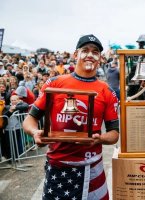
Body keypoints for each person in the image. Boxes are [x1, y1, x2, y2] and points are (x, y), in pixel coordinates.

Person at [22, 34, 119, 200]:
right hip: (58, 168)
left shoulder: (107, 91)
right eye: (85, 50)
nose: (90, 55)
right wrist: (34, 132)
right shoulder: (54, 83)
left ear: (100, 58)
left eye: (95, 52)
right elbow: (29, 120)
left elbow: (114, 134)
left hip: (92, 168)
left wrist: (100, 138)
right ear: (75, 55)